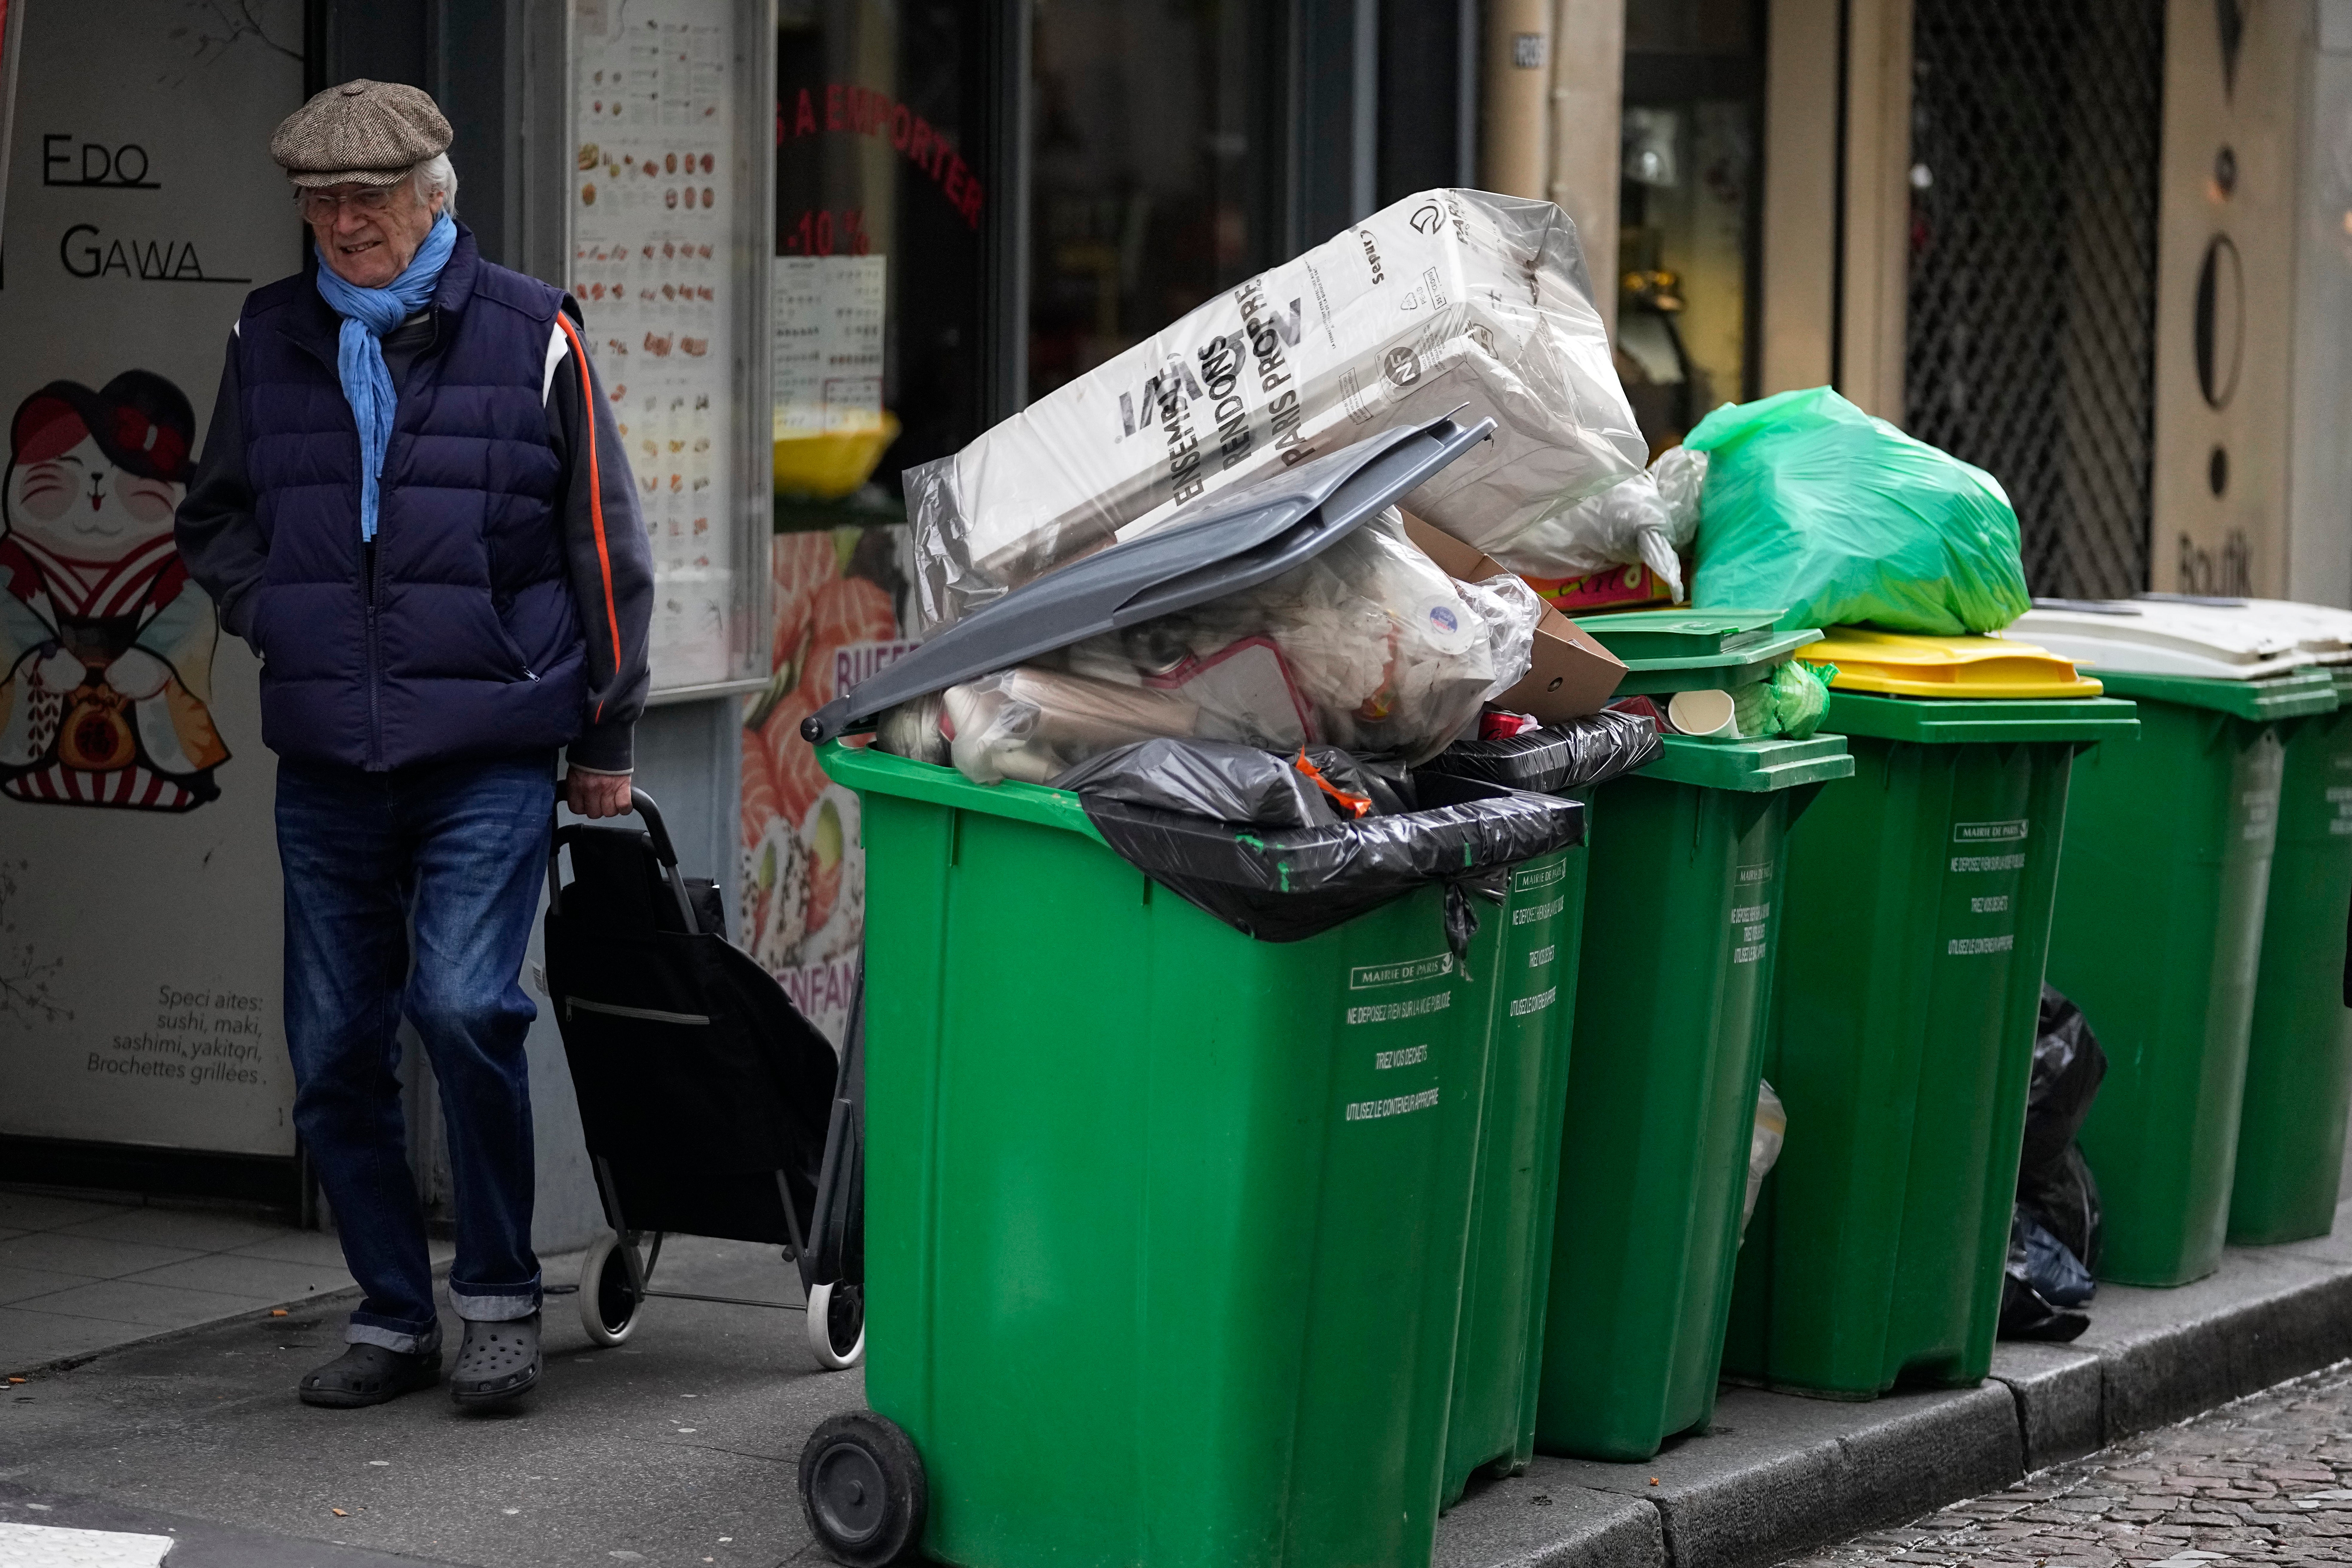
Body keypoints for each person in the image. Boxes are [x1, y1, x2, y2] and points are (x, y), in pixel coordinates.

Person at [176, 79, 652, 1411]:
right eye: (319, 203)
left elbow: (602, 542)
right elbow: (215, 518)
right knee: (333, 1052)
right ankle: (393, 1313)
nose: (342, 224)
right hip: (329, 756)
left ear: (434, 196)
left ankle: (497, 1296)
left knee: (461, 1007)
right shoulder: (267, 334)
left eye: (368, 199)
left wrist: (606, 727)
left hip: (488, 743)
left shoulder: (533, 332)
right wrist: (279, 615)